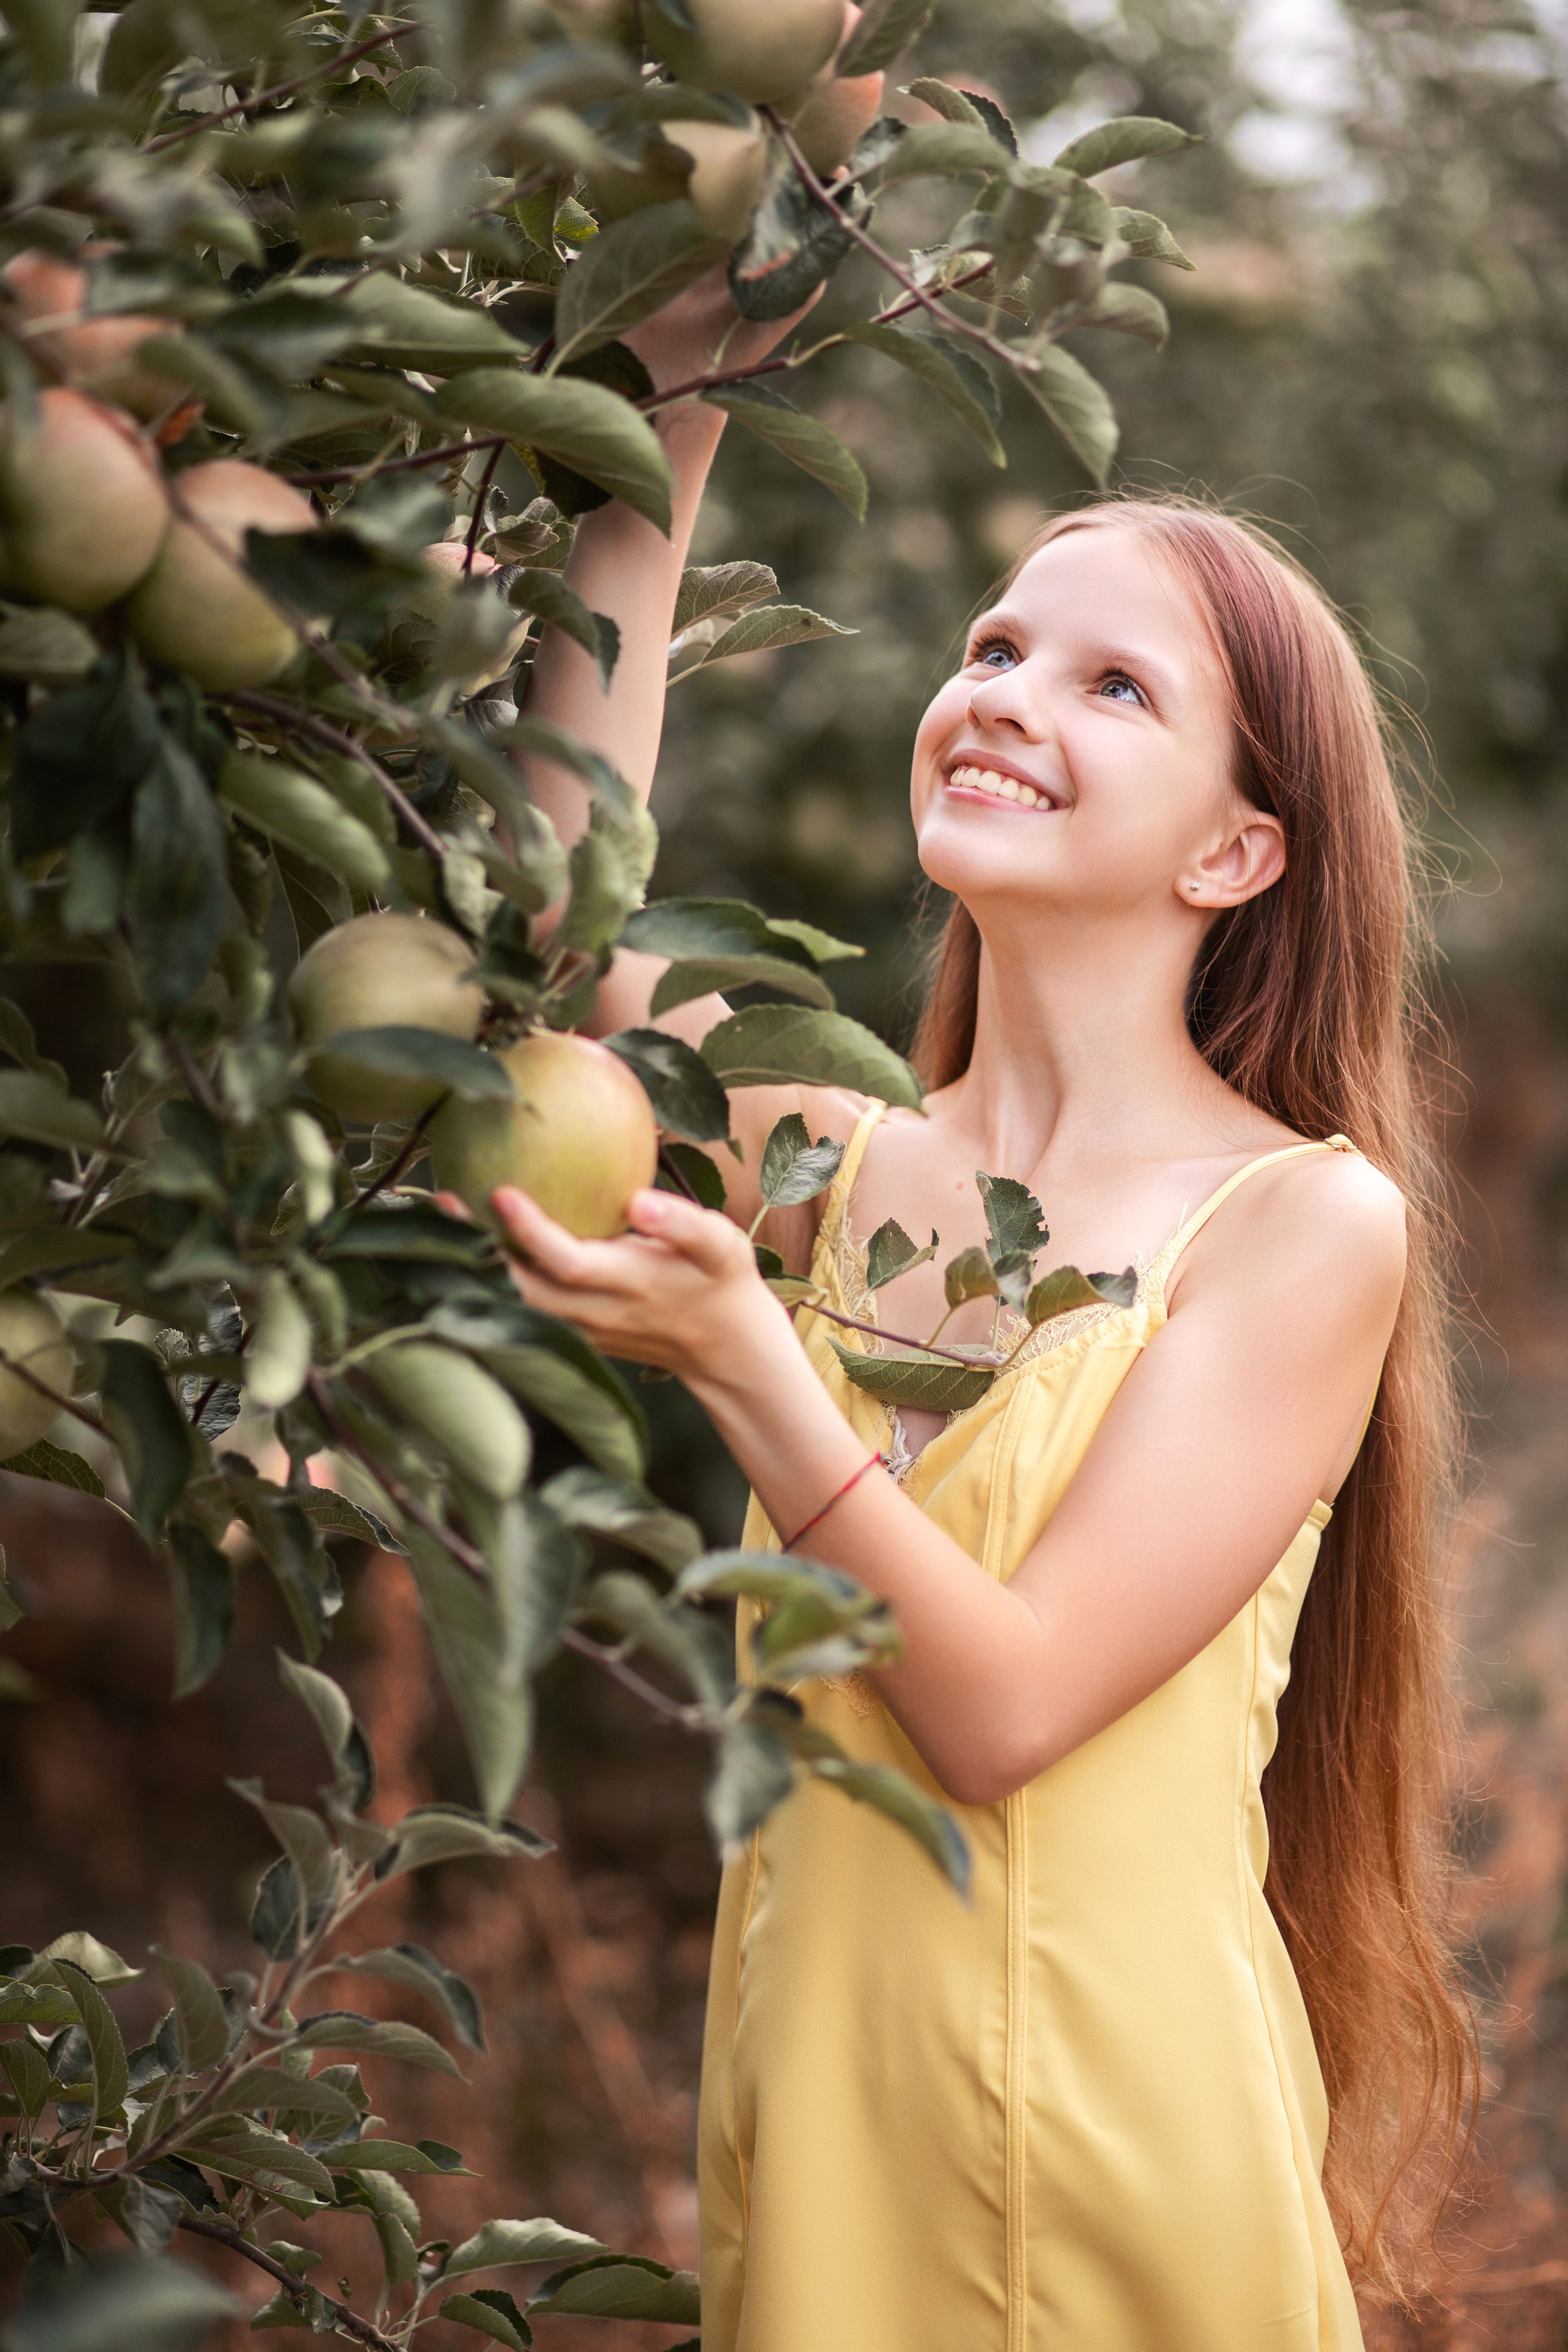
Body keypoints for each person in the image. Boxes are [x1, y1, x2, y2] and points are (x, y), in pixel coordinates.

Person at [474, 282, 1477, 2350]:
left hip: (1113, 2154)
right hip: (824, 2122)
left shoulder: (1301, 1227)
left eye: (1117, 684)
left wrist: (756, 1360)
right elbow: (551, 961)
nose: (1008, 691)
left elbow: (1006, 1710)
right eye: (995, 646)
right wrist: (666, 412)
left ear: (1237, 848)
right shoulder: (832, 1149)